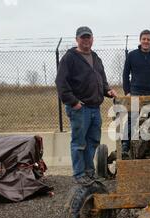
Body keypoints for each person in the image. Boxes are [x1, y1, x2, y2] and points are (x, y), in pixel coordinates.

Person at [55, 26, 117, 185]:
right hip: (80, 109)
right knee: (79, 143)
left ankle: (89, 172)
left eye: (88, 37)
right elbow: (61, 83)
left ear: (92, 39)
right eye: (83, 37)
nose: (86, 40)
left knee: (93, 141)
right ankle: (79, 174)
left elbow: (102, 81)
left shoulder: (96, 58)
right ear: (77, 39)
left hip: (95, 108)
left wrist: (108, 91)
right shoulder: (70, 58)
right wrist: (73, 102)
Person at [121, 29, 150, 154]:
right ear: (140, 40)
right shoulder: (132, 55)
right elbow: (125, 74)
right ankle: (125, 145)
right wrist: (127, 92)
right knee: (132, 118)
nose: (146, 41)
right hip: (136, 92)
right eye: (144, 39)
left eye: (148, 39)